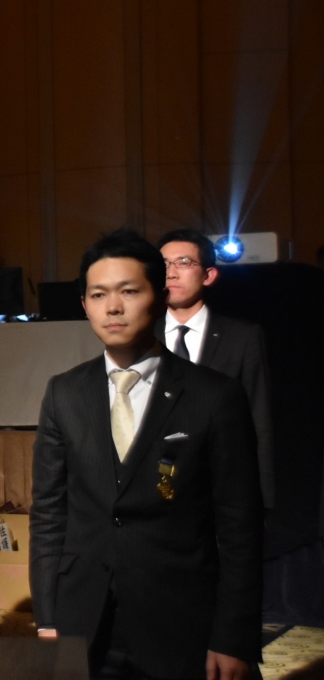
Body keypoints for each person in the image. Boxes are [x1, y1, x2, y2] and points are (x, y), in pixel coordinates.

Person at [30, 229, 262, 679]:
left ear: (159, 296)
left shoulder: (214, 395)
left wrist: (233, 636)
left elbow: (240, 526)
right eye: (98, 295)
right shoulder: (64, 392)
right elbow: (48, 514)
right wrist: (47, 617)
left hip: (181, 622)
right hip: (84, 620)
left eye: (129, 291)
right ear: (84, 305)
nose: (112, 307)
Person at [156, 228, 275, 509]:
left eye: (184, 262)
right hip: (155, 489)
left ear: (208, 275)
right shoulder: (141, 336)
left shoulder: (242, 337)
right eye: (163, 264)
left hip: (222, 490)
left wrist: (263, 500)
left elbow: (259, 420)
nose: (171, 273)